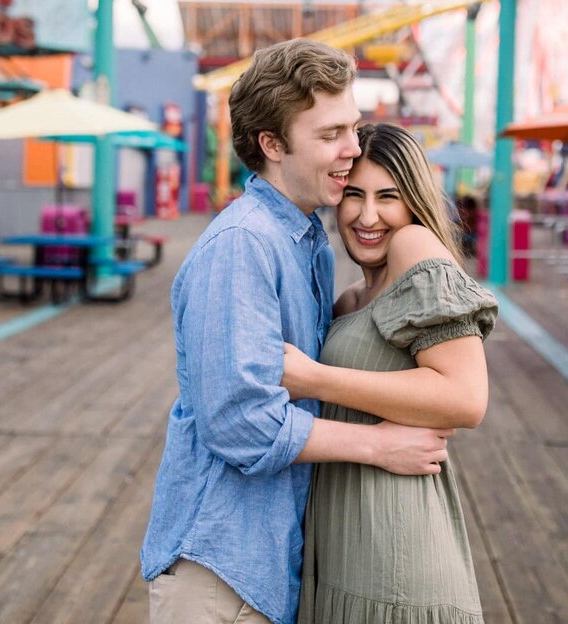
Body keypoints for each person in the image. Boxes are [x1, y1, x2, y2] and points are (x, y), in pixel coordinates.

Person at [141, 40, 455, 624]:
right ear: (272, 144)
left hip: (266, 559)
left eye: (353, 128)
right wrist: (381, 446)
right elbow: (243, 422)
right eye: (331, 134)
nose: (353, 150)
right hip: (220, 567)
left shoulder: (305, 241)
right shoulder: (244, 244)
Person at [282, 123, 497, 624]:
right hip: (343, 547)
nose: (368, 215)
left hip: (394, 551)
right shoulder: (353, 297)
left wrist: (312, 377)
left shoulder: (414, 246)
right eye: (354, 194)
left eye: (388, 196)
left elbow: (466, 398)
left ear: (414, 202)